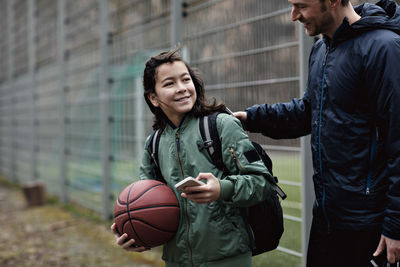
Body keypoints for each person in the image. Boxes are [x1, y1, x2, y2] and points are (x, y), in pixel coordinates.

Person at [234, 0, 400, 266]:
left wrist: (395, 225)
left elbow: (398, 140)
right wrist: (251, 118)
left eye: (301, 6)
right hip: (326, 218)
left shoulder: (385, 48)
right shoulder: (322, 47)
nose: (293, 16)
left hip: (370, 225)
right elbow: (309, 112)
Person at [110, 49, 275, 267]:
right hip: (176, 260)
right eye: (169, 84)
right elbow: (146, 202)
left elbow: (262, 182)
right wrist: (134, 231)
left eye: (185, 79)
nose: (182, 88)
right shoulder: (154, 143)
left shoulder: (221, 125)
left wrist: (221, 189)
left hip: (228, 257)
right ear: (153, 98)